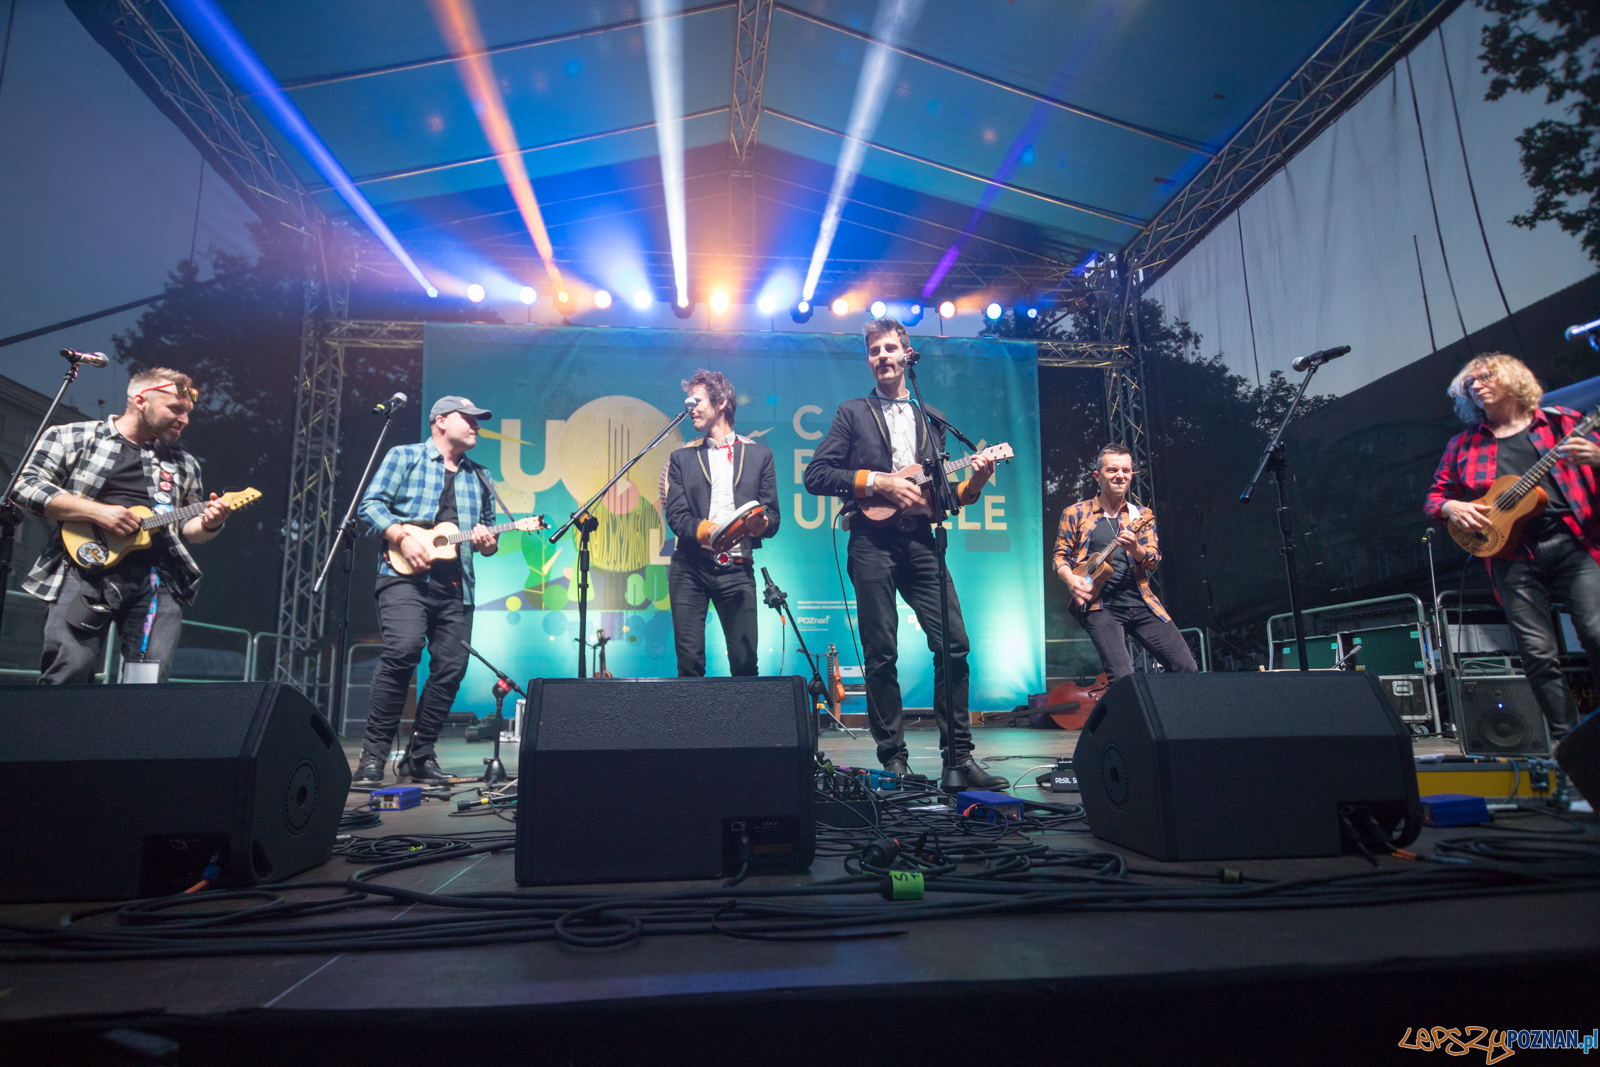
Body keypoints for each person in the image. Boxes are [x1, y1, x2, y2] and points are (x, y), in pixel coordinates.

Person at [802, 317, 1002, 787]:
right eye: (874, 351)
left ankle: (959, 757)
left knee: (954, 644)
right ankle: (893, 758)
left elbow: (946, 498)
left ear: (907, 355)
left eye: (891, 348)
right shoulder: (853, 412)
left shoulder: (930, 418)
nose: (882, 357)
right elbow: (816, 476)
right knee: (881, 652)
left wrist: (977, 478)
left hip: (921, 542)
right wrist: (879, 481)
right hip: (871, 544)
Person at [12, 368, 232, 684]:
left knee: (146, 682)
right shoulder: (72, 436)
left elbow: (185, 528)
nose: (184, 420)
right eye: (175, 409)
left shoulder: (184, 463)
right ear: (141, 400)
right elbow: (26, 486)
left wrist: (211, 523)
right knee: (70, 670)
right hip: (82, 569)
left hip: (155, 580)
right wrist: (99, 513)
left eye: (187, 413)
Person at [1425, 353, 1600, 739]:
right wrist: (1451, 506)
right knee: (1537, 654)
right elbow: (1435, 498)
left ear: (1512, 379)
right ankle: (1567, 742)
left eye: (1486, 377)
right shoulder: (1463, 445)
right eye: (1471, 383)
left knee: (1596, 632)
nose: (1477, 385)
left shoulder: (1564, 424)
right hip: (1511, 554)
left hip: (1574, 543)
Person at [353, 396, 501, 786]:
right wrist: (401, 536)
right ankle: (373, 759)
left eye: (477, 419)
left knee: (451, 668)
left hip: (456, 585)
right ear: (440, 421)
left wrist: (489, 542)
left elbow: (488, 533)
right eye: (467, 418)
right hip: (403, 576)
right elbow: (369, 505)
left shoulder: (481, 476)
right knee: (402, 651)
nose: (475, 425)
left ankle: (420, 756)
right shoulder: (404, 456)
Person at [660, 369, 780, 677]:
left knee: (744, 662)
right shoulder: (681, 458)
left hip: (737, 569)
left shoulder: (759, 455)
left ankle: (742, 727)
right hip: (690, 567)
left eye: (697, 401)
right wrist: (711, 532)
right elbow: (677, 516)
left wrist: (759, 525)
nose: (691, 409)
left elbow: (773, 517)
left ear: (722, 402)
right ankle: (690, 727)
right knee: (689, 663)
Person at [1053, 443, 1196, 685]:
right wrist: (1071, 579)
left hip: (1141, 602)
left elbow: (1153, 559)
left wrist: (1135, 548)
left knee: (1186, 667)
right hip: (1102, 606)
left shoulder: (1142, 515)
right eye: (1112, 470)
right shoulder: (1076, 513)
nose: (1120, 476)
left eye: (1126, 471)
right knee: (1123, 679)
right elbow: (1060, 556)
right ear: (1098, 476)